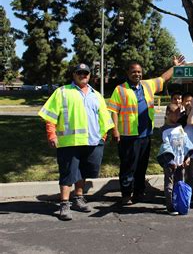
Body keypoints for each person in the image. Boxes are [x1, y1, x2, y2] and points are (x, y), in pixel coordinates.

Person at [38, 63, 114, 220]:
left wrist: (103, 135)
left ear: (90, 75)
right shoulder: (63, 92)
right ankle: (64, 204)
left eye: (86, 73)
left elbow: (104, 118)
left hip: (91, 141)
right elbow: (50, 116)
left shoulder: (96, 95)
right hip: (69, 142)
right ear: (74, 75)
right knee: (67, 173)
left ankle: (78, 198)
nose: (83, 75)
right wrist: (51, 135)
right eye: (79, 72)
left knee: (83, 171)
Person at [108, 55, 185, 205]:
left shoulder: (148, 85)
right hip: (128, 136)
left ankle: (138, 193)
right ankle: (126, 194)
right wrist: (115, 130)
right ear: (128, 73)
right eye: (133, 72)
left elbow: (163, 78)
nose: (137, 74)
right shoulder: (120, 89)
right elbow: (113, 111)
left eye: (139, 72)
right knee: (128, 167)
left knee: (141, 167)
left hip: (145, 135)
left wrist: (175, 66)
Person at [157, 103, 193, 215]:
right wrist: (170, 161)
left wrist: (187, 157)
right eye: (176, 113)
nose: (178, 116)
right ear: (168, 114)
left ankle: (179, 202)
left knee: (179, 182)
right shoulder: (164, 130)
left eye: (179, 113)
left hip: (181, 161)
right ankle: (170, 206)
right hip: (171, 163)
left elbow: (185, 142)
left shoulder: (179, 127)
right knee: (169, 183)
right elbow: (166, 146)